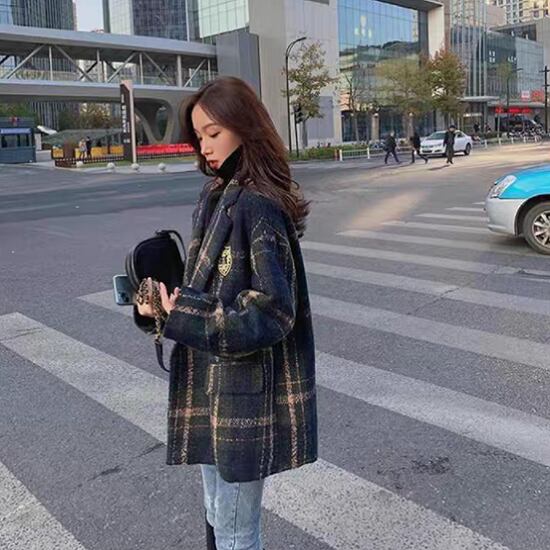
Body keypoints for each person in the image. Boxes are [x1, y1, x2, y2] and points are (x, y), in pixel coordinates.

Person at [134, 76, 318, 550]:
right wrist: (163, 306)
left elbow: (273, 312)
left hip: (243, 394)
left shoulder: (258, 205)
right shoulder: (216, 194)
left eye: (214, 133)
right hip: (212, 382)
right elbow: (205, 287)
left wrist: (185, 315)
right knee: (217, 516)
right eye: (199, 136)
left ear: (245, 127)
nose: (205, 146)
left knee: (236, 530)